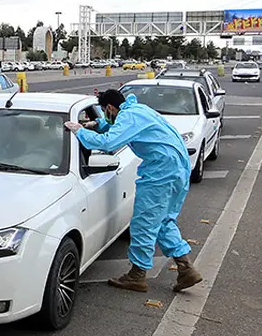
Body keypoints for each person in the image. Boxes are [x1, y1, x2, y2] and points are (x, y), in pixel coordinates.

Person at [64, 89, 202, 293]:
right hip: (176, 169)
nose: (105, 116)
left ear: (110, 108)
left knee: (143, 223)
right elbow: (120, 129)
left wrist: (79, 131)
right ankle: (187, 269)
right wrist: (99, 125)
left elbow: (109, 142)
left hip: (161, 173)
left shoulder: (128, 116)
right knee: (163, 221)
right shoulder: (138, 110)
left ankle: (137, 276)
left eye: (104, 112)